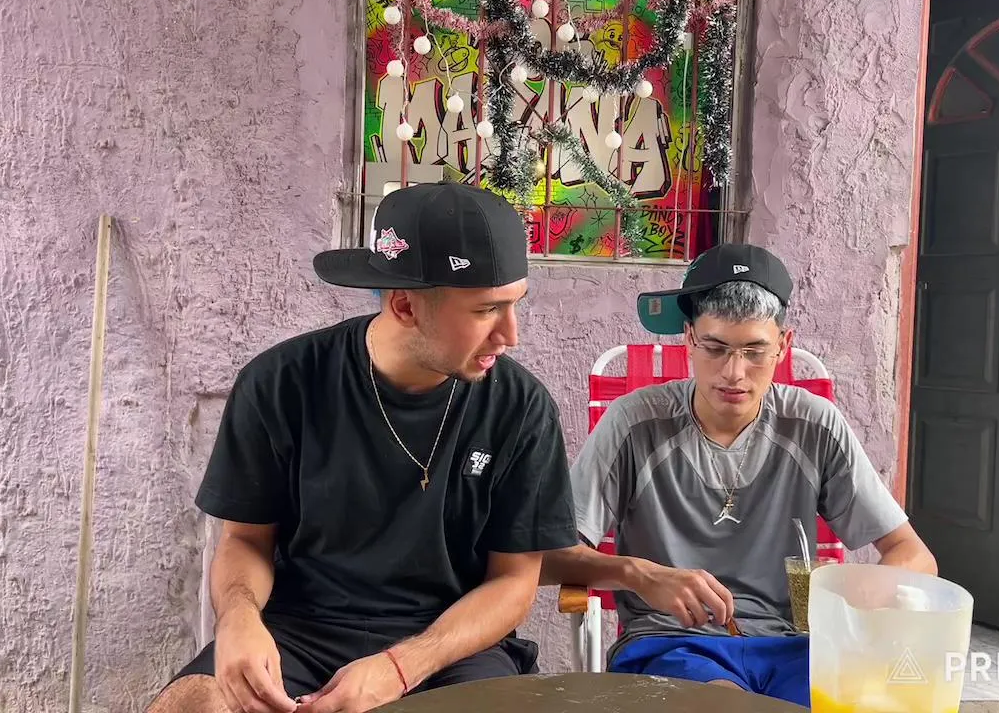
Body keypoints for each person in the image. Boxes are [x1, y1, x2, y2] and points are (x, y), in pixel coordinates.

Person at [148, 181, 577, 713]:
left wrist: (400, 666)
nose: (510, 334)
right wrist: (238, 618)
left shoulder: (522, 407)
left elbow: (514, 582)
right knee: (192, 705)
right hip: (300, 630)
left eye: (515, 305)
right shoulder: (281, 383)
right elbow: (245, 540)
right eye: (487, 310)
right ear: (404, 305)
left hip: (451, 643)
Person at [539, 243, 936, 708]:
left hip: (795, 648)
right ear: (689, 338)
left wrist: (861, 593)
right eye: (715, 348)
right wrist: (639, 574)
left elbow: (914, 555)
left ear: (783, 345)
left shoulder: (813, 424)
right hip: (673, 644)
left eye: (755, 351)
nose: (734, 372)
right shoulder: (634, 423)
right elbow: (547, 559)